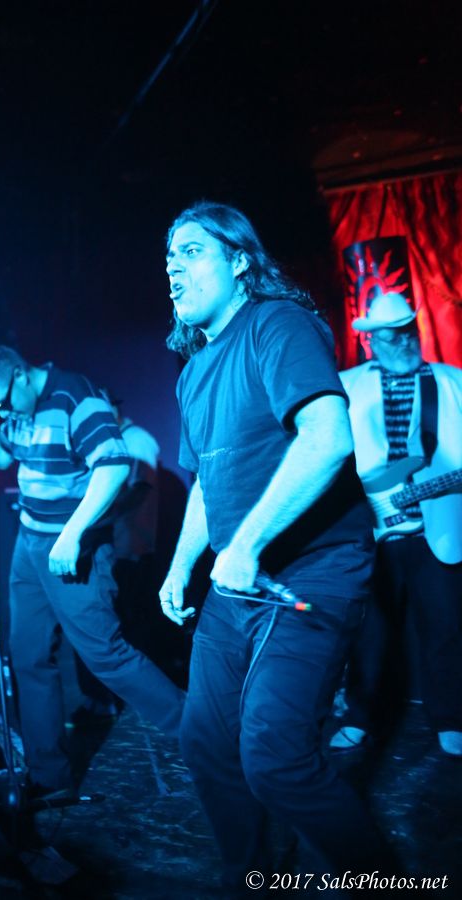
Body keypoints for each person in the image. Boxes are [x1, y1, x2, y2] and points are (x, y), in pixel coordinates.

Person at [159, 201, 397, 894]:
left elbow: (329, 437)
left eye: (192, 251)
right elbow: (205, 483)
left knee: (274, 756)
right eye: (169, 257)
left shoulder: (276, 324)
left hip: (311, 570)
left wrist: (247, 543)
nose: (173, 267)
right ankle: (255, 875)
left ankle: (379, 882)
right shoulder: (192, 372)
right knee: (204, 740)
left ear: (240, 261)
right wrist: (181, 565)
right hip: (238, 582)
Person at [0, 346, 185, 802]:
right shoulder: (17, 408)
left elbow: (114, 465)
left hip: (72, 546)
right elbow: (0, 457)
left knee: (105, 654)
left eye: (1, 401)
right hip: (29, 542)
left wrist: (73, 535)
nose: (1, 412)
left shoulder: (74, 396)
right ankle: (49, 776)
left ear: (20, 373)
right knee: (27, 654)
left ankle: (200, 731)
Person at [329, 292, 462, 757]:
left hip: (438, 530)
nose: (404, 342)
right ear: (371, 341)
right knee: (369, 631)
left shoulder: (453, 383)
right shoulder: (344, 387)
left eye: (408, 332)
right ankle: (360, 715)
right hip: (368, 529)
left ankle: (450, 717)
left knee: (445, 627)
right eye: (392, 336)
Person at [71, 395, 163, 722]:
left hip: (131, 552)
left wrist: (96, 516)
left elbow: (139, 489)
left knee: (128, 631)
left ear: (113, 408)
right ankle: (103, 703)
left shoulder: (137, 440)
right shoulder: (104, 440)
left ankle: (138, 708)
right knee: (104, 626)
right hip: (110, 551)